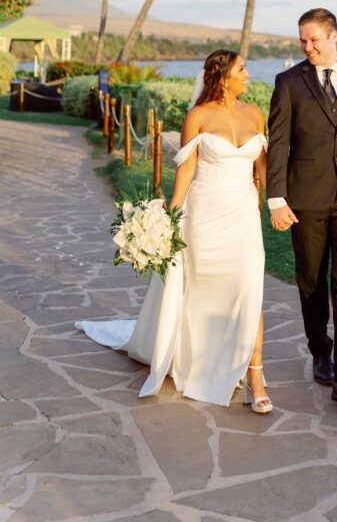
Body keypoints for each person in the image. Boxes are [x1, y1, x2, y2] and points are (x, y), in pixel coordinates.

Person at [76, 50, 271, 411]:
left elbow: (262, 167)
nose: (248, 74)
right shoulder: (197, 116)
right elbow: (186, 169)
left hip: (243, 216)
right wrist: (171, 214)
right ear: (223, 77)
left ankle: (255, 378)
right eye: (242, 69)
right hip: (205, 214)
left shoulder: (256, 114)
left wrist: (276, 202)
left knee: (250, 289)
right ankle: (197, 359)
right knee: (200, 288)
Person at [267, 8, 337, 410]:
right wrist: (276, 197)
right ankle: (321, 350)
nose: (307, 47)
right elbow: (278, 142)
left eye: (314, 39)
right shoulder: (288, 82)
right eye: (302, 40)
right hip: (306, 200)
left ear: (333, 35)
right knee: (312, 282)